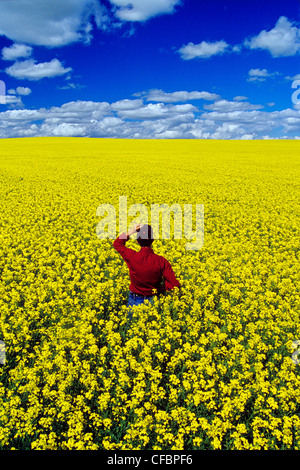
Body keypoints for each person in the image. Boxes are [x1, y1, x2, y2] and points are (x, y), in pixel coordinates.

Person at [113, 223, 181, 319]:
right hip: (152, 301)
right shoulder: (161, 261)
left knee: (131, 328)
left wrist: (131, 231)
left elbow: (117, 243)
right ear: (153, 240)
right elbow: (174, 284)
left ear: (137, 241)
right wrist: (161, 289)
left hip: (134, 299)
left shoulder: (132, 256)